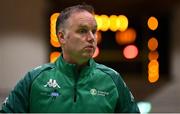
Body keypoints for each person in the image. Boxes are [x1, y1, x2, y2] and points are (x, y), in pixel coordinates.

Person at [0, 4, 140, 113]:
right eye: (82, 31)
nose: (91, 38)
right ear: (61, 37)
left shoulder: (112, 80)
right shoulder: (35, 79)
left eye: (94, 31)